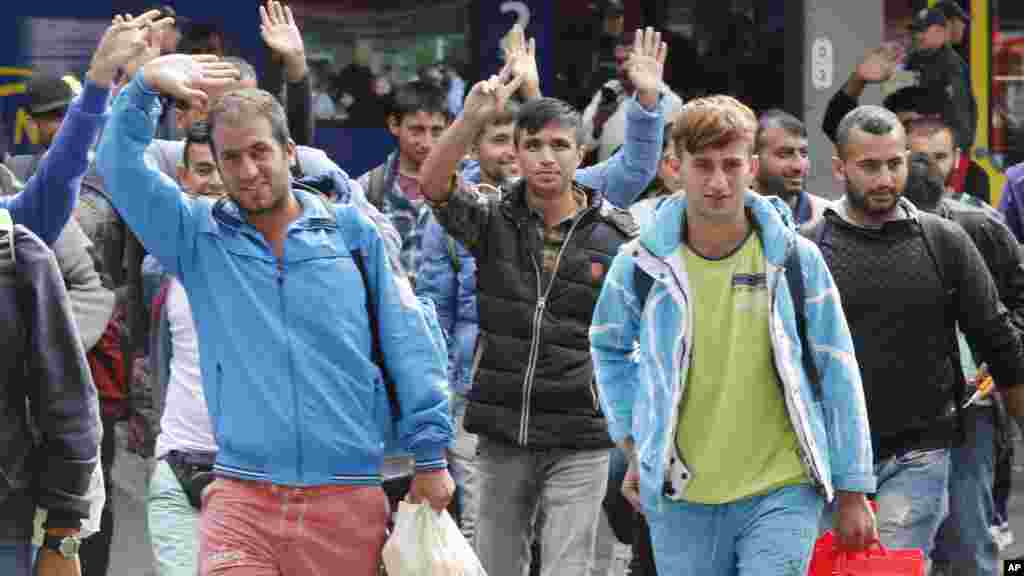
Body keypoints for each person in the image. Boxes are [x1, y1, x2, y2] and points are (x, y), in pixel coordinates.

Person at [97, 50, 454, 576]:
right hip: (241, 496)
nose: (248, 171)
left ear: (291, 153)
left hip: (347, 497)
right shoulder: (196, 237)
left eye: (260, 152)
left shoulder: (354, 234)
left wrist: (431, 456)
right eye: (232, 158)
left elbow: (408, 342)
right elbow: (120, 169)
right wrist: (146, 87)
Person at [589, 95, 877, 575]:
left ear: (753, 167)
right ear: (673, 168)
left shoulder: (796, 260)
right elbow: (608, 346)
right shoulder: (639, 263)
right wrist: (635, 444)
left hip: (784, 486)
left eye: (731, 164)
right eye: (702, 165)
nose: (718, 182)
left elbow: (837, 369)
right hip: (680, 494)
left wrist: (853, 487)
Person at [418, 27, 667, 576]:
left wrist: (636, 428)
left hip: (581, 433)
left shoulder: (617, 235)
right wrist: (471, 120)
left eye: (560, 146)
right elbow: (434, 185)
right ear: (516, 151)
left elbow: (640, 343)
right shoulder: (491, 218)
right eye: (532, 145)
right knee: (497, 565)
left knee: (566, 568)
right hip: (503, 428)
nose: (546, 157)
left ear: (581, 154)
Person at [805, 105, 1024, 568]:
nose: (884, 178)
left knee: (891, 567)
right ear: (840, 168)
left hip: (920, 452)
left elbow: (999, 342)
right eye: (869, 166)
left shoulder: (945, 240)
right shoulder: (809, 247)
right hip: (828, 459)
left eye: (894, 163)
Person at [0, 11, 167, 575]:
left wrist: (99, 84)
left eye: (57, 116)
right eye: (42, 118)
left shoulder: (8, 234)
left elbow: (51, 194)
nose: (49, 125)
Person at [901, 150, 1024, 576]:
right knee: (906, 542)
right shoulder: (864, 236)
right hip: (896, 415)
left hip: (970, 409)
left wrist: (1002, 356)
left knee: (968, 534)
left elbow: (1019, 295)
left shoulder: (978, 227)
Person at [357, 80, 451, 287]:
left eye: (436, 131)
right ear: (394, 125)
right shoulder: (368, 189)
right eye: (417, 130)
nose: (427, 142)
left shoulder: (460, 191)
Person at [581, 30, 684, 164]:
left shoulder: (670, 102)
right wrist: (598, 122)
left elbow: (674, 157)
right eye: (618, 62)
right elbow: (584, 145)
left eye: (628, 60)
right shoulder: (608, 92)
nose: (622, 67)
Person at [754, 110, 830, 225]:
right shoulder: (732, 216)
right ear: (755, 159)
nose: (798, 166)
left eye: (804, 154)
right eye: (785, 154)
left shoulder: (826, 218)